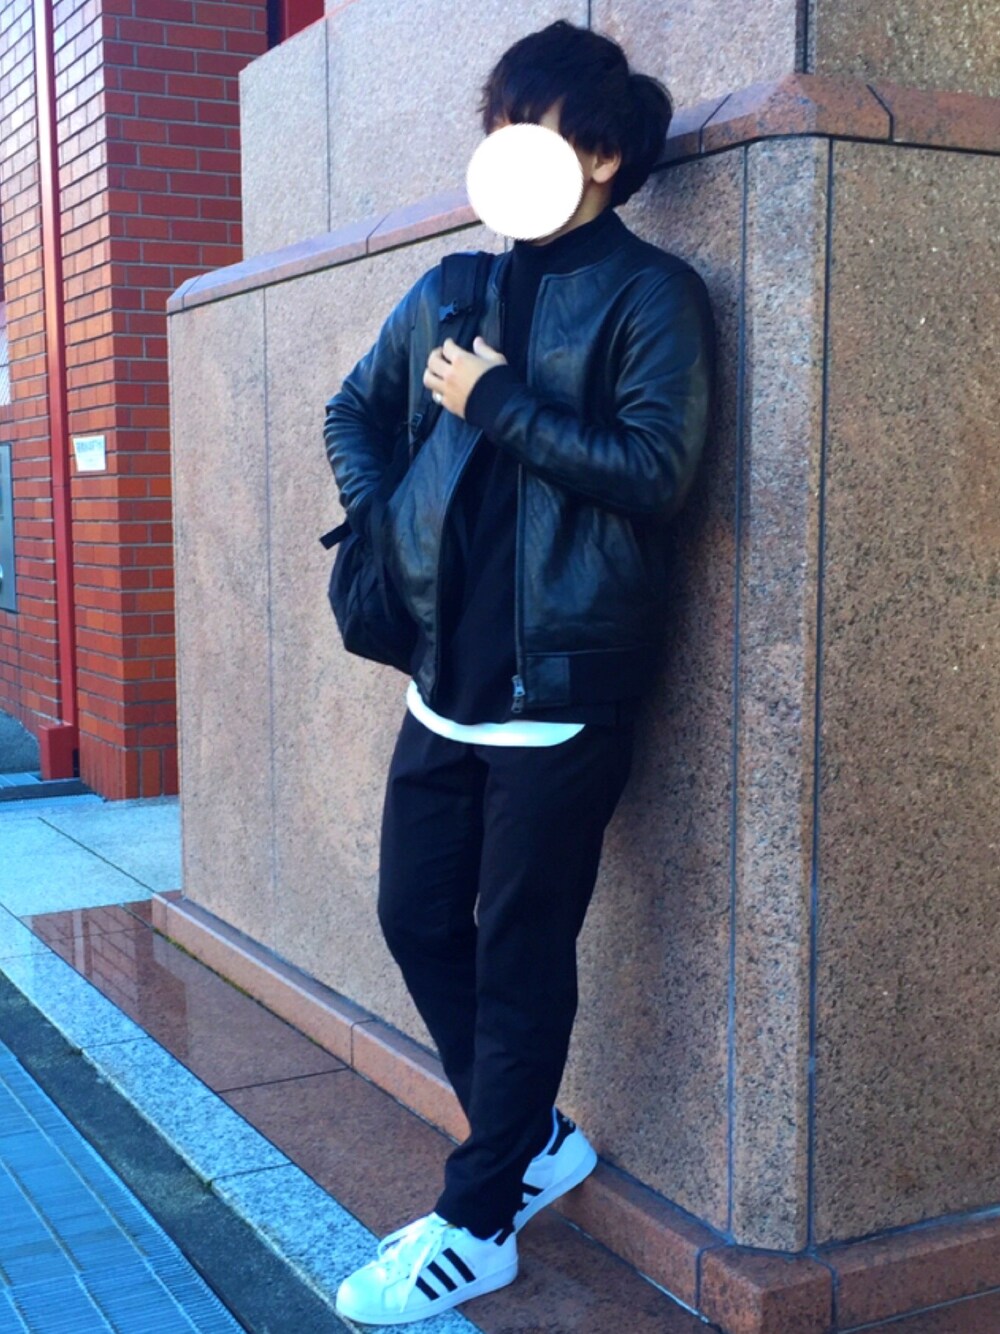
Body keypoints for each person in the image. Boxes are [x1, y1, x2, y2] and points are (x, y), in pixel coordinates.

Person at [324, 18, 715, 1326]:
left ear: (599, 155)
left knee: (520, 951)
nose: (502, 148)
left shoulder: (652, 298)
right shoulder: (451, 287)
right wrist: (386, 516)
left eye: (527, 127)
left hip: (563, 693)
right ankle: (532, 1136)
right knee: (415, 916)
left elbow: (657, 472)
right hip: (445, 678)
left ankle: (480, 1220)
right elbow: (351, 408)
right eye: (495, 124)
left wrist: (497, 404)